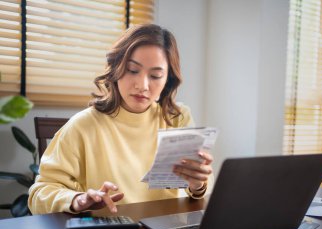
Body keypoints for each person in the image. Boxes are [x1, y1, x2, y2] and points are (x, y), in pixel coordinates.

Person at [28, 24, 214, 215]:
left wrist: (198, 186)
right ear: (116, 69)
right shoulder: (83, 126)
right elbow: (39, 194)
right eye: (133, 70)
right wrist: (76, 199)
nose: (142, 85)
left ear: (167, 80)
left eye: (155, 76)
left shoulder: (177, 118)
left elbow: (201, 193)